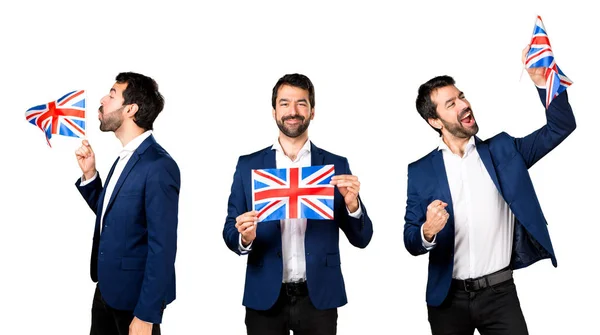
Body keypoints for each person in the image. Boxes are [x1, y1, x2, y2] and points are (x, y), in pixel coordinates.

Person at [403, 46, 576, 335]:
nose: (463, 104)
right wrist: (427, 231)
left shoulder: (504, 150)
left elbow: (561, 126)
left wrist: (544, 82)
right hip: (447, 301)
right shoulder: (420, 171)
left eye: (461, 96)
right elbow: (411, 239)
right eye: (451, 104)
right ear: (435, 121)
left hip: (500, 295)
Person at [223, 73, 373, 335]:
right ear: (273, 111)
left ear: (312, 111)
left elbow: (362, 238)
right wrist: (244, 237)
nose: (293, 111)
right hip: (265, 297)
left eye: (301, 103)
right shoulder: (249, 165)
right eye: (284, 103)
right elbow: (229, 230)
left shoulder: (336, 165)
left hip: (319, 297)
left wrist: (352, 205)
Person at [75, 72, 180, 335]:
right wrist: (90, 176)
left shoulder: (159, 166)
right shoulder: (124, 158)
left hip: (136, 301)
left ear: (130, 109)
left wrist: (146, 314)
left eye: (111, 95)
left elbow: (163, 247)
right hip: (106, 291)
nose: (102, 100)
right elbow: (113, 216)